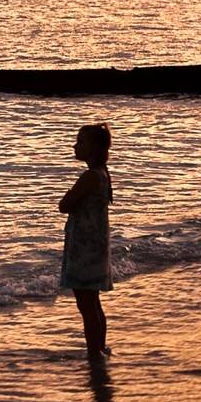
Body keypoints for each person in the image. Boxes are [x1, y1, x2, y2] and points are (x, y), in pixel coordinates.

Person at [59, 123, 113, 362]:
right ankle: (99, 349)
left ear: (93, 148)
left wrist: (70, 194)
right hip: (95, 245)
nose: (75, 145)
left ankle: (94, 353)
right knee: (93, 301)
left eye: (80, 141)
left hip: (85, 249)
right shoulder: (102, 172)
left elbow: (64, 205)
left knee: (85, 303)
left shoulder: (90, 176)